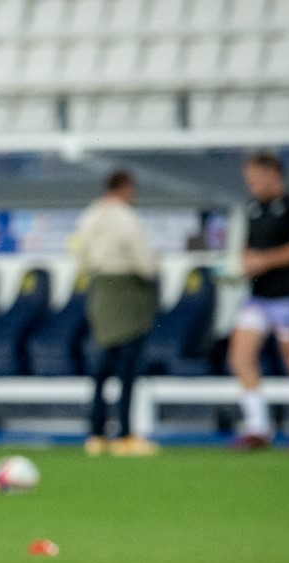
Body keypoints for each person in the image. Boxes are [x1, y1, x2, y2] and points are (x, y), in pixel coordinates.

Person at [228, 151, 289, 452]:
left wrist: (265, 261)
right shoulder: (252, 209)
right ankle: (257, 428)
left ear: (272, 173)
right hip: (258, 297)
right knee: (240, 356)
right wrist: (245, 264)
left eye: (255, 177)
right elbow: (248, 249)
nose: (250, 183)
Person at [75, 169, 161, 457]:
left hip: (100, 294)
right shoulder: (127, 218)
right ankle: (124, 434)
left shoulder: (88, 217)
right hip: (127, 295)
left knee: (100, 370)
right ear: (126, 188)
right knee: (128, 370)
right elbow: (145, 265)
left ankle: (96, 434)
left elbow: (81, 258)